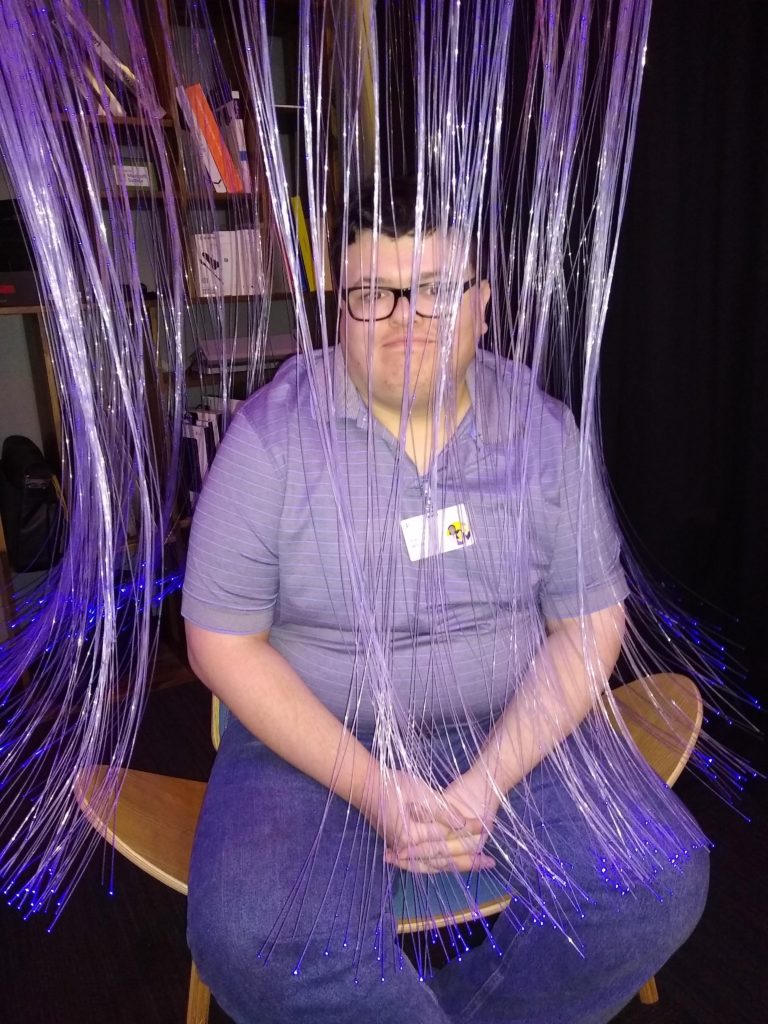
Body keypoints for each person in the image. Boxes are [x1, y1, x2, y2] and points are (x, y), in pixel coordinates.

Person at [181, 177, 709, 1024]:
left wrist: (490, 779)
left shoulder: (542, 433)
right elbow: (221, 642)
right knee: (249, 938)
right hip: (316, 741)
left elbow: (589, 622)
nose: (405, 319)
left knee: (656, 880)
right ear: (339, 310)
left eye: (433, 290)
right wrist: (373, 784)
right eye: (372, 294)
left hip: (516, 728)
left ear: (483, 305)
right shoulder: (267, 444)